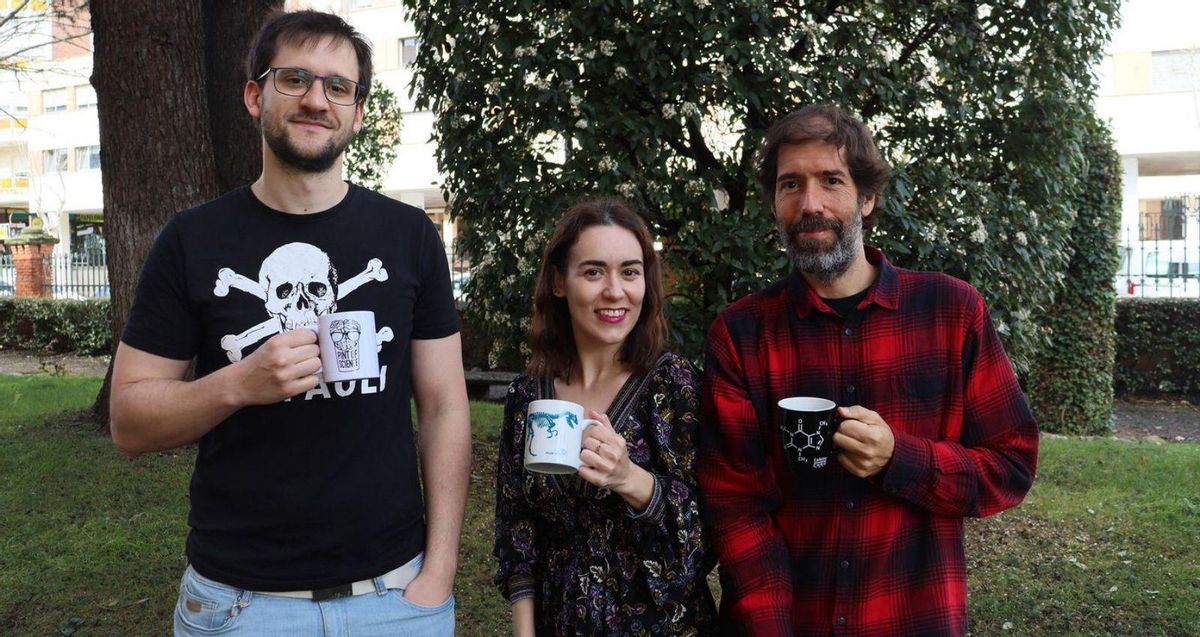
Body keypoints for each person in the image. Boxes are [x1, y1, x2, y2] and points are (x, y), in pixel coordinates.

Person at [109, 11, 469, 635]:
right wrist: (237, 384)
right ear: (255, 95)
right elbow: (130, 423)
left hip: (394, 596)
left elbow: (444, 407)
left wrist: (438, 570)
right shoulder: (191, 241)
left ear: (358, 112)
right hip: (238, 604)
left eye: (338, 86)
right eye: (294, 78)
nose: (315, 100)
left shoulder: (409, 236)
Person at [698, 104, 1039, 636]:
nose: (810, 204)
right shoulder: (741, 335)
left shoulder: (951, 313)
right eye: (790, 185)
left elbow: (1011, 467)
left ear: (868, 197)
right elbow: (735, 506)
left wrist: (899, 458)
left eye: (831, 181)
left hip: (912, 617)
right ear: (775, 205)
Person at [493, 198, 718, 636]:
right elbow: (516, 527)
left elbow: (707, 536)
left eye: (630, 272)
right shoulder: (528, 395)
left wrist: (630, 478)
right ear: (560, 282)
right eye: (593, 272)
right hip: (559, 621)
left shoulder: (674, 385)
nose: (614, 291)